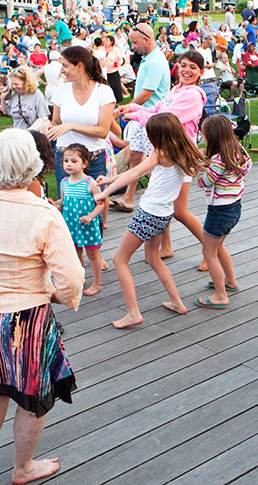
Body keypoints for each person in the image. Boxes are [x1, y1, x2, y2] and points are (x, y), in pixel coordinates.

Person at [0, 129, 83, 485]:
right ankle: (22, 468)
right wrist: (55, 295)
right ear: (33, 167)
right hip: (23, 321)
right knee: (31, 396)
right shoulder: (43, 213)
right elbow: (71, 279)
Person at [95, 113, 207, 328]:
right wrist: (110, 178)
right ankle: (177, 302)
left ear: (157, 136)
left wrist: (104, 193)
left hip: (148, 214)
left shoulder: (160, 154)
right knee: (153, 258)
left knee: (120, 260)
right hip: (163, 215)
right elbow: (135, 172)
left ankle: (133, 313)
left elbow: (134, 172)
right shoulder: (180, 154)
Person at [117, 52, 207, 260]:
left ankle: (211, 251)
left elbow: (167, 118)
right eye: (183, 65)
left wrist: (135, 115)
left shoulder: (193, 95)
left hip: (181, 157)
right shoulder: (176, 90)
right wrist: (131, 106)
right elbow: (157, 108)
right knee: (165, 203)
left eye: (193, 67)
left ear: (201, 72)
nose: (186, 70)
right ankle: (165, 246)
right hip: (166, 153)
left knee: (180, 211)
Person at [196, 115, 251, 309]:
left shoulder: (218, 160)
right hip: (234, 207)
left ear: (212, 136)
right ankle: (230, 281)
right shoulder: (238, 151)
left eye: (203, 133)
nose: (201, 136)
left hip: (219, 211)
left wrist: (200, 170)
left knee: (208, 252)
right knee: (218, 248)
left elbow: (205, 181)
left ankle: (220, 295)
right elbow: (248, 166)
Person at [117, 23, 171, 211]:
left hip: (150, 118)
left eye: (134, 42)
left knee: (152, 159)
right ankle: (128, 197)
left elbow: (147, 94)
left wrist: (128, 107)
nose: (132, 47)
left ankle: (156, 197)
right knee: (136, 155)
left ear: (146, 40)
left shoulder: (155, 61)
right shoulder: (150, 58)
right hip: (143, 116)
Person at [46, 46, 115, 185]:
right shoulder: (61, 91)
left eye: (65, 65)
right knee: (68, 203)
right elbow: (56, 123)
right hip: (66, 158)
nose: (61, 71)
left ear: (79, 66)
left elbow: (103, 131)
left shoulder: (103, 91)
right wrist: (49, 128)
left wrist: (71, 126)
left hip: (93, 158)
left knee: (96, 202)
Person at [55, 144, 105, 295]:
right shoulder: (64, 182)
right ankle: (80, 277)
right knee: (76, 253)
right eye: (66, 161)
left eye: (73, 161)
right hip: (71, 226)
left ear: (84, 163)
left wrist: (91, 216)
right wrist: (54, 204)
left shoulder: (90, 183)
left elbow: (101, 204)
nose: (68, 164)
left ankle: (97, 283)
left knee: (93, 254)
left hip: (87, 226)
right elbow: (63, 201)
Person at [5, 66, 50, 130]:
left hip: (33, 134)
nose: (14, 86)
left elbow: (43, 118)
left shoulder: (36, 94)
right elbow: (6, 112)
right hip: (18, 134)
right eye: (12, 84)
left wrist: (30, 131)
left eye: (16, 84)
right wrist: (2, 98)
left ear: (26, 83)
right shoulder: (15, 94)